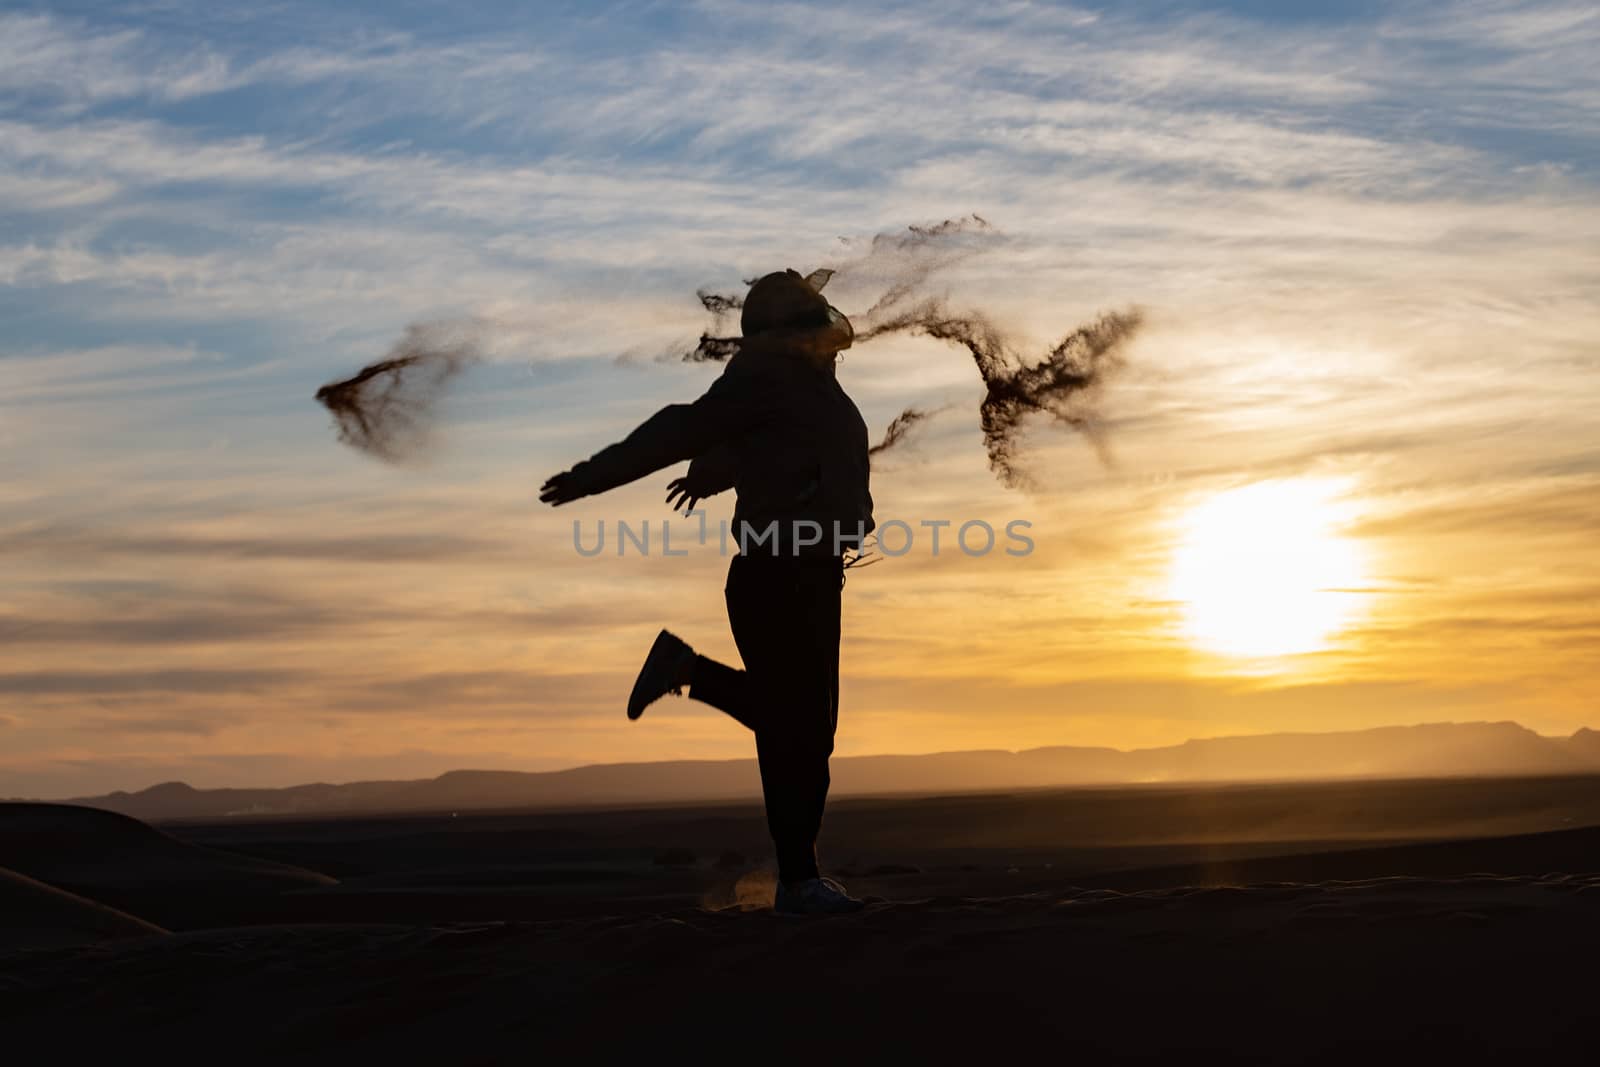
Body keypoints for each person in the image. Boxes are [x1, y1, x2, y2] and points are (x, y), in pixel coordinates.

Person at [539, 269, 873, 915]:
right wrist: (593, 477)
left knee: (808, 729)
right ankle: (798, 881)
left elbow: (769, 446)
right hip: (777, 572)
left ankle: (685, 670)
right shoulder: (764, 378)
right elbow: (682, 428)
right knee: (792, 723)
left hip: (815, 571)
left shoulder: (812, 386)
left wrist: (715, 476)